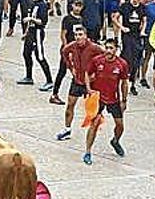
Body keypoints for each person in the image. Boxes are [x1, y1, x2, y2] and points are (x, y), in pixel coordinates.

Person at [83, 37, 129, 165]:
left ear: (116, 49)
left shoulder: (122, 64)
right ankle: (87, 152)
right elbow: (87, 73)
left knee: (120, 125)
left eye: (111, 48)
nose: (108, 50)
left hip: (114, 99)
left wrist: (124, 100)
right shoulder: (97, 61)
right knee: (94, 124)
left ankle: (115, 141)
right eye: (106, 48)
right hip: (98, 98)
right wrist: (88, 89)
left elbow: (124, 83)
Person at [55, 24, 105, 141]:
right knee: (70, 105)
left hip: (90, 83)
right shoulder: (72, 46)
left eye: (80, 35)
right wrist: (70, 67)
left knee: (93, 110)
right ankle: (67, 129)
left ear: (86, 36)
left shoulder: (94, 47)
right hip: (77, 81)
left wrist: (96, 73)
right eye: (76, 35)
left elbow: (104, 56)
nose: (78, 37)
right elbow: (64, 51)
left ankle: (93, 130)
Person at [16, 0, 54, 90]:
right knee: (26, 53)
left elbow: (43, 22)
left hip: (37, 32)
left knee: (40, 56)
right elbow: (30, 19)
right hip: (30, 32)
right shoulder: (31, 3)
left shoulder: (42, 5)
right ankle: (29, 77)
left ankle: (49, 80)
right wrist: (26, 32)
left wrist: (31, 20)